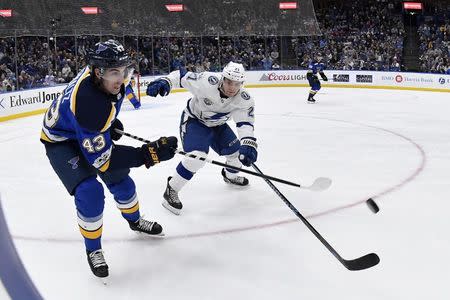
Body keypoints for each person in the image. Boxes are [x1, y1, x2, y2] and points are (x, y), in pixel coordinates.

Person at [40, 40, 178, 280]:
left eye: (124, 70)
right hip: (62, 141)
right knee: (90, 191)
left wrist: (110, 125)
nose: (122, 77)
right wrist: (150, 154)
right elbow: (104, 161)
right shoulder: (89, 106)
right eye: (115, 72)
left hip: (83, 129)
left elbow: (104, 112)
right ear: (98, 72)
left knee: (122, 182)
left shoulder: (103, 78)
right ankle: (93, 249)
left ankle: (135, 222)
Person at [146, 62, 258, 215]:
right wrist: (165, 81)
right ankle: (171, 189)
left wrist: (248, 143)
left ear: (242, 83)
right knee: (196, 158)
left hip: (218, 125)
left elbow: (245, 124)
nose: (232, 87)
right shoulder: (206, 81)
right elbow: (181, 76)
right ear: (222, 78)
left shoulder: (244, 99)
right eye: (229, 82)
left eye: (237, 83)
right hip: (195, 121)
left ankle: (230, 175)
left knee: (237, 154)